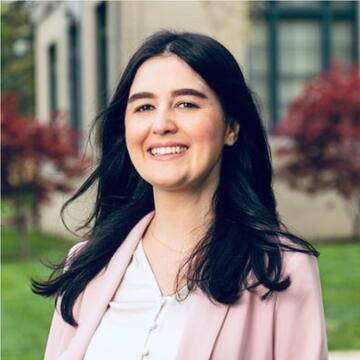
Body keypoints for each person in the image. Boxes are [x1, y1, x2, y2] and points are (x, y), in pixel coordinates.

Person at [32, 30, 328, 360]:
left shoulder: (281, 269)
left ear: (231, 127)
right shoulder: (86, 266)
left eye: (186, 104)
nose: (161, 124)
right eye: (144, 107)